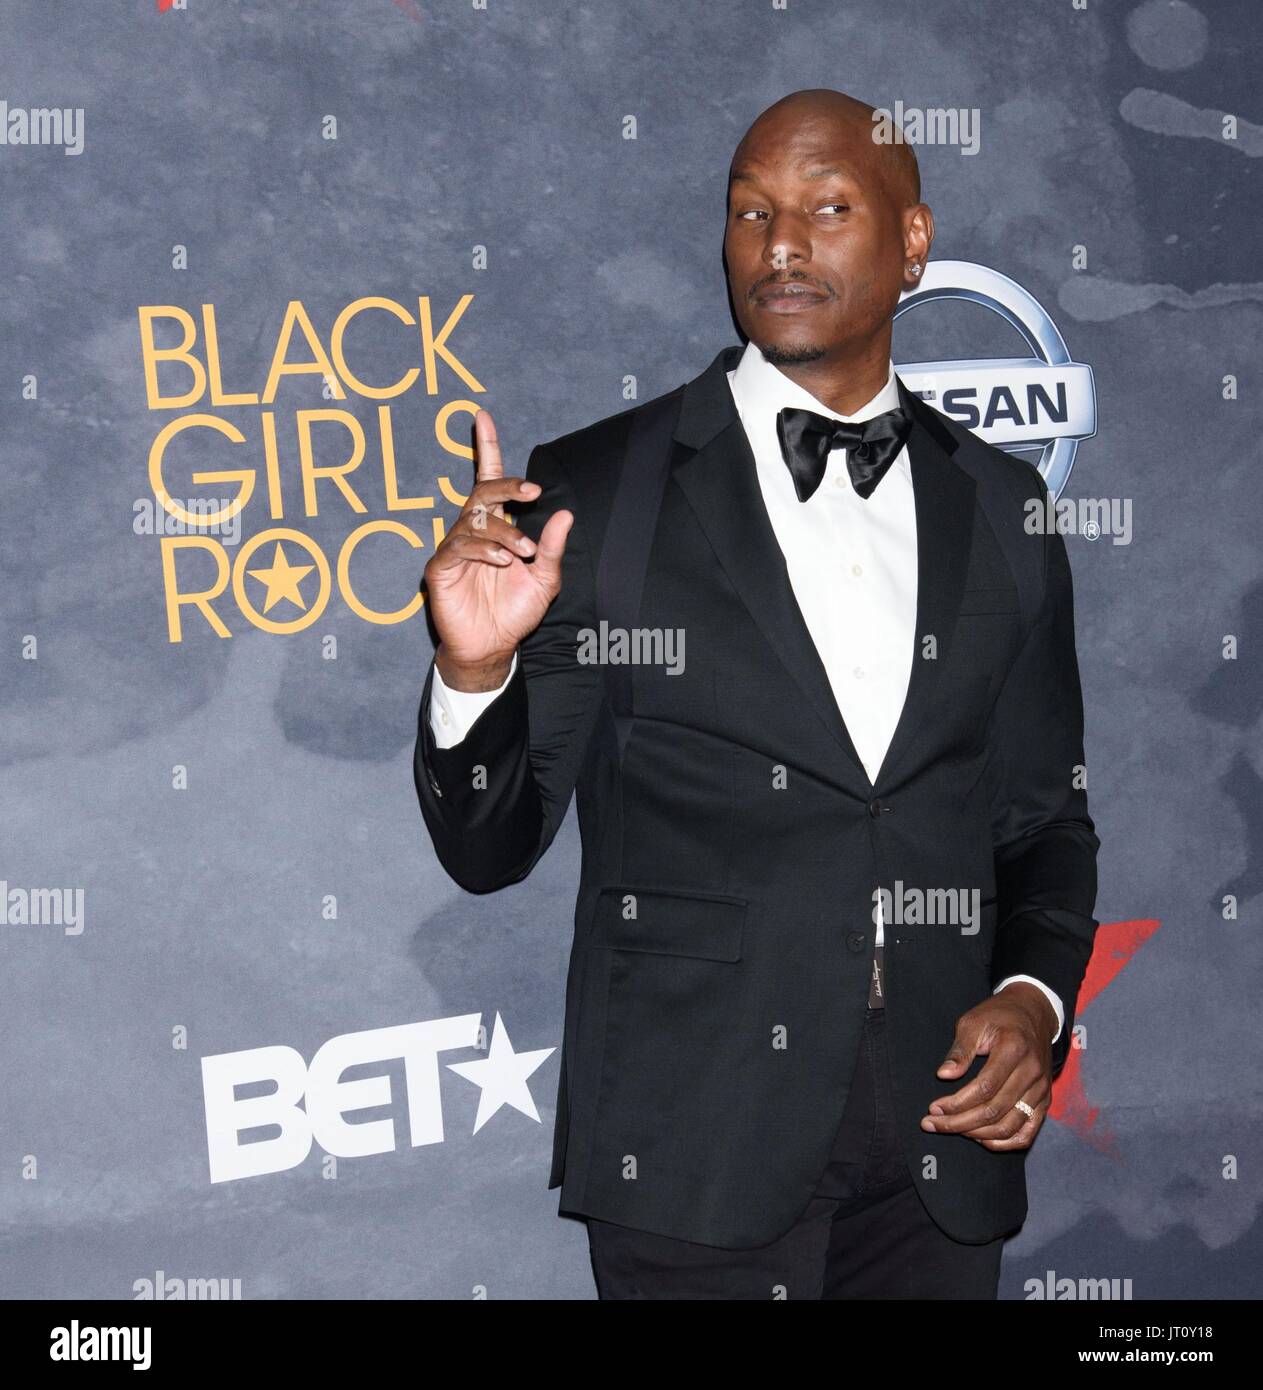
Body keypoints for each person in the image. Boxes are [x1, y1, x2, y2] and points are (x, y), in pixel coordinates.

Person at [413, 88, 1099, 1299]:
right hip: (696, 1151)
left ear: (915, 243)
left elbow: (1044, 820)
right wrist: (476, 672)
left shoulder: (1004, 505)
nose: (780, 245)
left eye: (828, 209)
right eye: (750, 213)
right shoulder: (597, 493)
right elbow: (489, 845)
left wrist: (1036, 999)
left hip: (946, 1151)